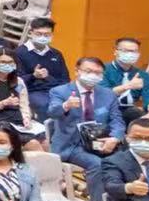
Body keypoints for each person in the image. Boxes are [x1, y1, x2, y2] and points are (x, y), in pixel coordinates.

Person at [46, 57, 125, 186]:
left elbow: (117, 121)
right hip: (72, 145)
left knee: (125, 161)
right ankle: (98, 198)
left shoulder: (108, 94)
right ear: (77, 71)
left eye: (97, 73)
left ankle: (117, 193)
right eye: (88, 71)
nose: (93, 75)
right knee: (97, 164)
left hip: (100, 141)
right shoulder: (60, 91)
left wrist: (115, 138)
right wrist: (66, 105)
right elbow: (52, 112)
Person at [102, 38, 149, 123]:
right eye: (126, 51)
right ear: (116, 51)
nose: (130, 54)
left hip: (129, 111)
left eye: (134, 51)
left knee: (146, 120)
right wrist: (128, 86)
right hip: (105, 108)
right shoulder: (103, 70)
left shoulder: (143, 75)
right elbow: (103, 95)